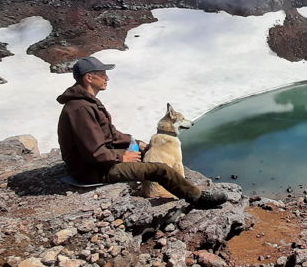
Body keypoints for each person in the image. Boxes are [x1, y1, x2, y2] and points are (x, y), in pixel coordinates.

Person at [56, 56, 226, 208]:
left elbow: (110, 133)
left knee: (142, 151)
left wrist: (135, 143)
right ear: (89, 78)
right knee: (160, 170)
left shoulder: (86, 103)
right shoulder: (81, 109)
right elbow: (94, 153)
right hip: (92, 171)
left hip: (97, 164)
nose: (107, 78)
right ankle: (197, 199)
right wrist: (122, 157)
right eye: (102, 74)